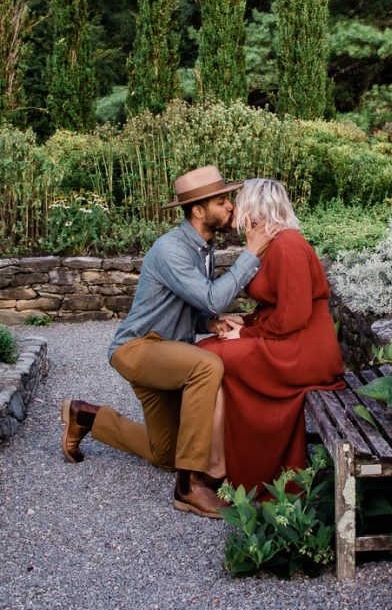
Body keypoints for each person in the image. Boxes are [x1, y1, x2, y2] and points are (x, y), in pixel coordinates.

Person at [60, 165, 272, 519]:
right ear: (198, 210)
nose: (231, 207)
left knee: (167, 455)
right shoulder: (171, 248)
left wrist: (210, 322)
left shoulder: (202, 248)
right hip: (139, 349)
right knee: (207, 365)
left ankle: (85, 416)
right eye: (222, 201)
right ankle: (189, 487)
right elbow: (211, 297)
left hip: (165, 353)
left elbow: (193, 306)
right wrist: (251, 254)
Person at [199, 178, 345, 496]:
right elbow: (277, 306)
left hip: (304, 349)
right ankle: (217, 457)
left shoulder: (288, 245)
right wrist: (246, 320)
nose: (234, 209)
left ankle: (221, 465)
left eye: (240, 203)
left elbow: (293, 316)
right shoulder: (271, 245)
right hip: (289, 339)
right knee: (208, 350)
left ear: (254, 209)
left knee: (213, 356)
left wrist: (248, 332)